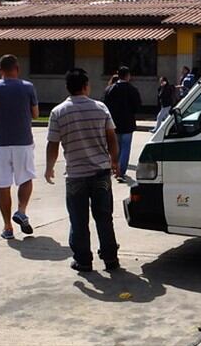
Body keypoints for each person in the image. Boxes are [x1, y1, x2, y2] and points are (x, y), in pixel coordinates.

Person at [45, 68, 120, 272]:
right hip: (101, 173)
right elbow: (111, 137)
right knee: (104, 217)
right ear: (86, 86)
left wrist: (49, 167)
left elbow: (53, 143)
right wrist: (115, 161)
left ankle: (83, 260)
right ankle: (110, 258)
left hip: (76, 175)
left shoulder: (58, 112)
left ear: (68, 87)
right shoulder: (100, 108)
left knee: (79, 220)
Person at [0, 54, 38, 240]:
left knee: (3, 185)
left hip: (0, 142)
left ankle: (7, 227)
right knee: (26, 179)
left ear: (0, 70)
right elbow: (35, 114)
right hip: (23, 140)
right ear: (17, 68)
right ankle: (21, 211)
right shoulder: (28, 87)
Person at [103, 66, 141, 183]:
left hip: (113, 124)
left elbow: (105, 106)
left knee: (115, 147)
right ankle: (121, 171)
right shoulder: (132, 90)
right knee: (125, 148)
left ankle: (115, 168)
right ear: (128, 76)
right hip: (128, 123)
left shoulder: (110, 89)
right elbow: (137, 106)